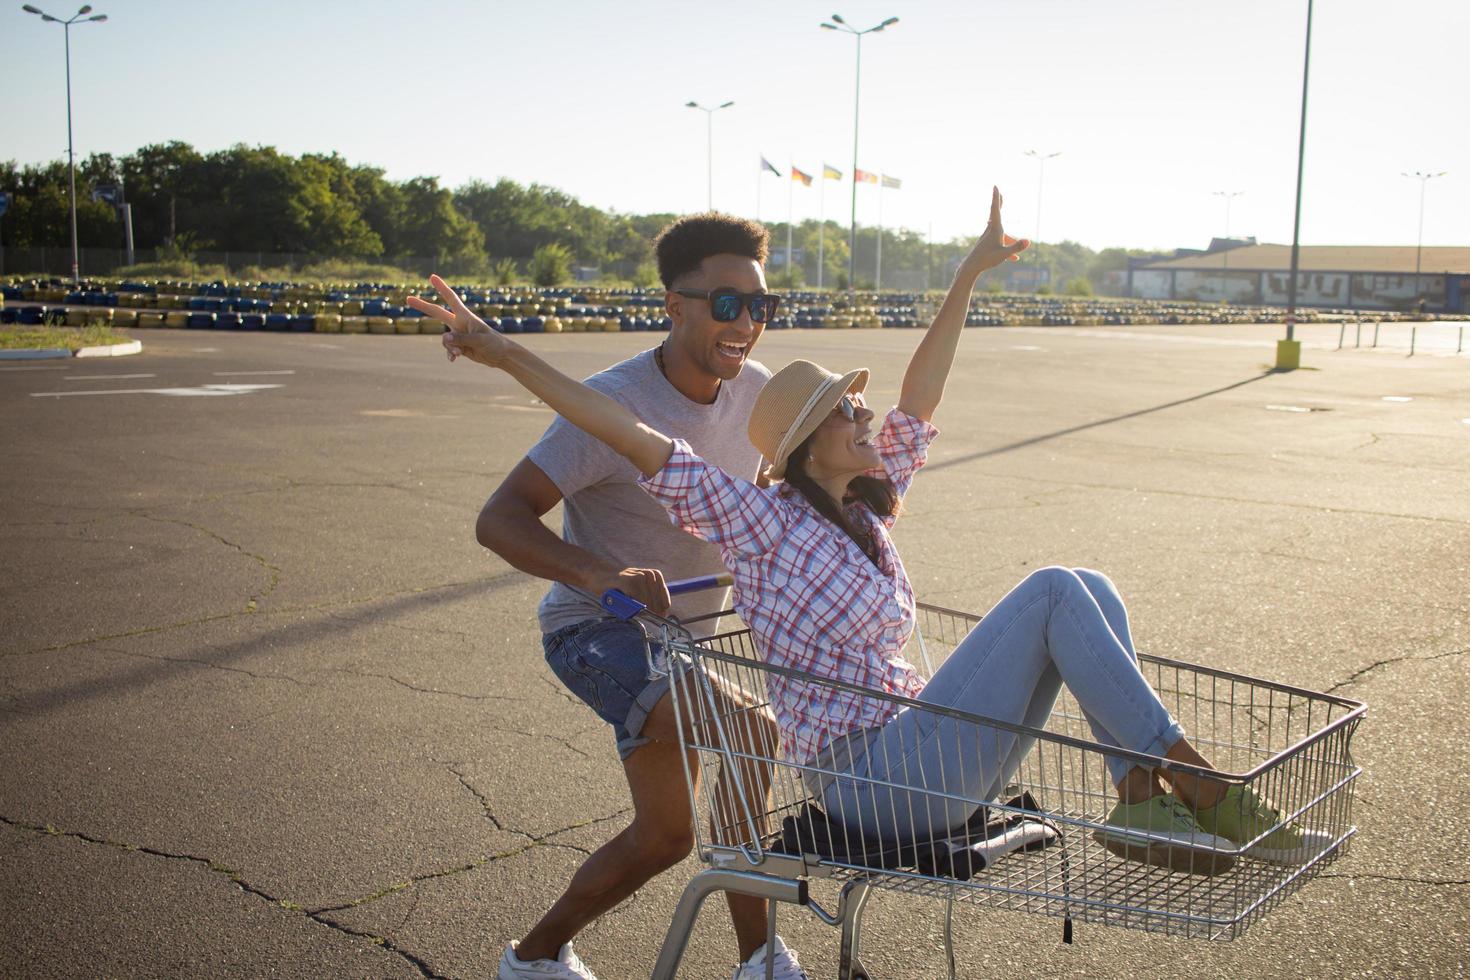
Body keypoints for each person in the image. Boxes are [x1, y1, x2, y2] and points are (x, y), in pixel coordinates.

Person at [427, 186, 1332, 886]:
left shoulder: (861, 504)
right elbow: (627, 430)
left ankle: (1140, 794)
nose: (867, 416)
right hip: (874, 782)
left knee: (1089, 584)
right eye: (846, 411)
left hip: (917, 755)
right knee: (1056, 587)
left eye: (859, 406)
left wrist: (971, 273)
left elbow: (924, 392)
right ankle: (1204, 787)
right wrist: (506, 352)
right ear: (803, 444)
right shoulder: (761, 520)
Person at [408, 214, 805, 980]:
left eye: (762, 306)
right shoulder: (613, 403)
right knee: (754, 731)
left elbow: (756, 504)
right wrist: (599, 576)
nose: (747, 324)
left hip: (681, 644)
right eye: (727, 304)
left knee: (665, 838)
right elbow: (500, 518)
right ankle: (761, 960)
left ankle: (533, 959)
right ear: (675, 305)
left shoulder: (754, 396)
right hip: (598, 633)